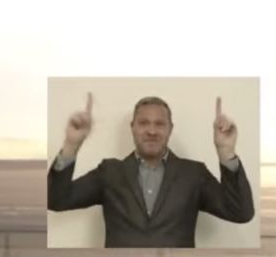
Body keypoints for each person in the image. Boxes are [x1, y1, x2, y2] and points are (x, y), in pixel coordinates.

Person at [48, 93, 254, 247]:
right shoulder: (109, 172)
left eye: (159, 124)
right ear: (133, 127)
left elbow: (241, 213)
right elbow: (55, 200)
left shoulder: (194, 174)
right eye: (144, 123)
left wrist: (226, 151)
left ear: (170, 128)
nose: (152, 131)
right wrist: (71, 144)